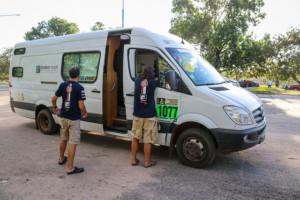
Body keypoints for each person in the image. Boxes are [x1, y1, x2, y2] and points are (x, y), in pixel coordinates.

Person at [52, 67, 88, 175]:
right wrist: (85, 112)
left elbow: (54, 98)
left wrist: (54, 107)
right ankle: (70, 168)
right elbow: (81, 105)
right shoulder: (79, 87)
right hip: (74, 119)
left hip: (64, 117)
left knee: (63, 138)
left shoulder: (63, 85)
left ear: (69, 74)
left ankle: (61, 159)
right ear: (79, 75)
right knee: (73, 142)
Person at [131, 65, 158, 168]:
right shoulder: (153, 82)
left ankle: (134, 159)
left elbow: (141, 81)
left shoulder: (137, 80)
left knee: (135, 138)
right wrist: (155, 78)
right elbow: (155, 80)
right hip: (149, 115)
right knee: (148, 140)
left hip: (137, 114)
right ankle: (147, 162)